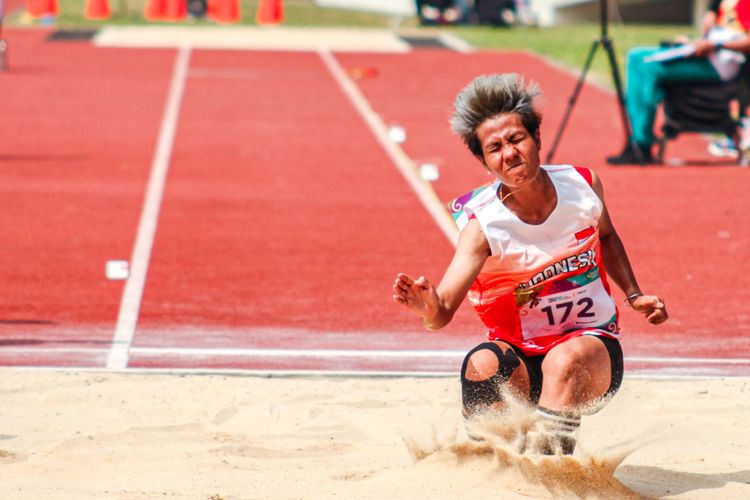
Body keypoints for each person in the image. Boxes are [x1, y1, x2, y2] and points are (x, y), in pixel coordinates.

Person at [393, 73, 668, 455]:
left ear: (537, 139)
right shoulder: (482, 226)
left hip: (590, 351)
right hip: (522, 358)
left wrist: (634, 294)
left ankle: (551, 474)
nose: (509, 153)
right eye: (495, 148)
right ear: (484, 161)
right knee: (482, 364)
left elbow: (606, 235)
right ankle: (492, 469)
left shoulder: (583, 185)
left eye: (516, 139)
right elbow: (441, 314)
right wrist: (427, 308)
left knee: (564, 360)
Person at [607, 0, 750, 165]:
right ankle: (638, 139)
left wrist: (716, 44)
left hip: (721, 63)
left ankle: (641, 142)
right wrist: (694, 41)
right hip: (703, 55)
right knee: (636, 56)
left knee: (648, 68)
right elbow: (710, 29)